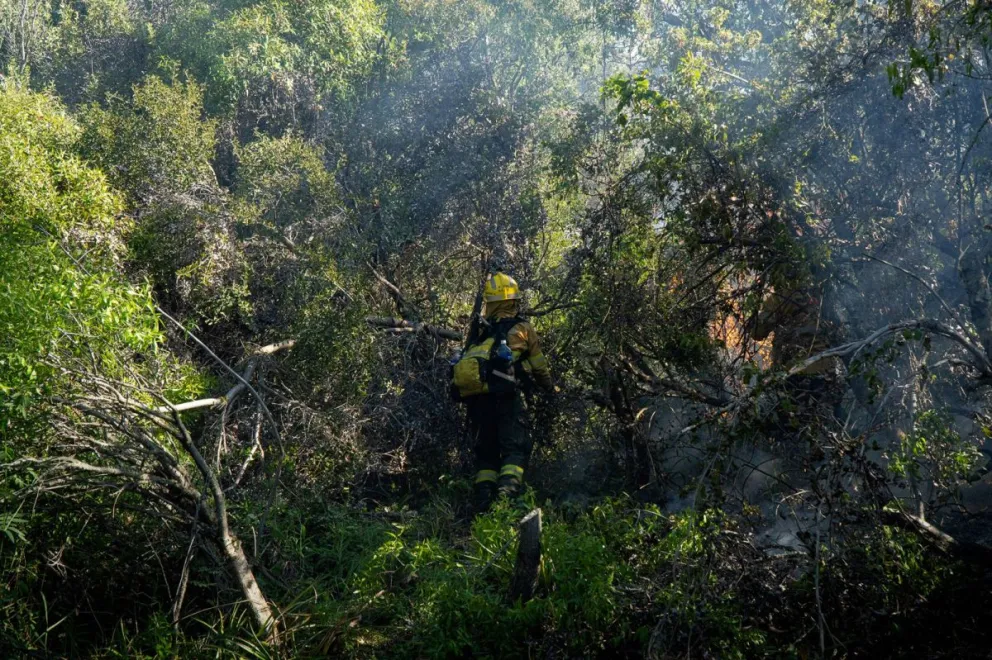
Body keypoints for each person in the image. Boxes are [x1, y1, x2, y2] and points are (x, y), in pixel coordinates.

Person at [457, 272, 554, 512]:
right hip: (507, 399)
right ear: (512, 301)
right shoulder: (522, 328)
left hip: (478, 401)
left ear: (491, 303)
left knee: (487, 453)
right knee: (515, 450)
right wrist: (550, 389)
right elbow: (540, 367)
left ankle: (482, 503)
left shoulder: (480, 332)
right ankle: (505, 502)